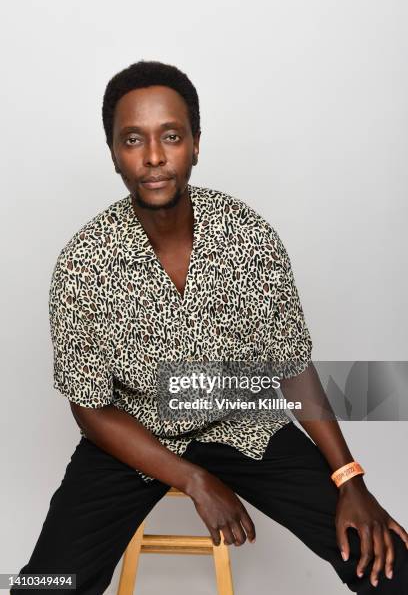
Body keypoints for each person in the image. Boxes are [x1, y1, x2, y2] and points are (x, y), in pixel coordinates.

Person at [12, 60, 408, 594]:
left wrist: (349, 479)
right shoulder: (84, 261)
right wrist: (194, 479)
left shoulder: (250, 238)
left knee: (389, 565)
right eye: (133, 139)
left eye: (171, 136)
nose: (154, 157)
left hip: (241, 421)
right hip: (136, 435)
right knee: (45, 586)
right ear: (113, 154)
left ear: (195, 144)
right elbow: (91, 407)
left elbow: (291, 369)